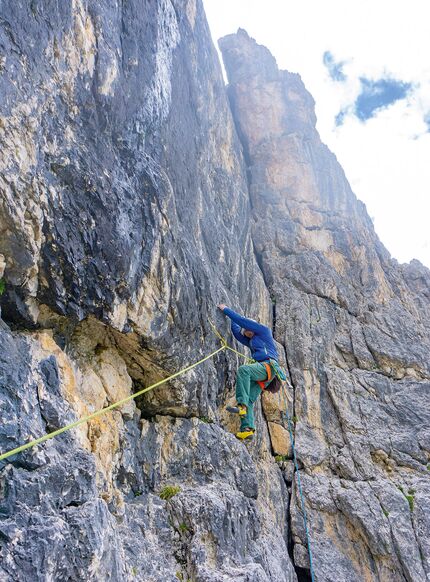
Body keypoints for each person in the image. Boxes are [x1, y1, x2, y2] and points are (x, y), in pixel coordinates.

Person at [218, 304, 279, 440]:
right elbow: (236, 332)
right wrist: (233, 321)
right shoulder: (252, 341)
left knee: (244, 371)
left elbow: (243, 322)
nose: (246, 331)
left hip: (268, 365)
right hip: (266, 370)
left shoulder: (264, 331)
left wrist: (226, 309)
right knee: (251, 399)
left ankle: (241, 405)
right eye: (245, 331)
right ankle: (247, 429)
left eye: (248, 329)